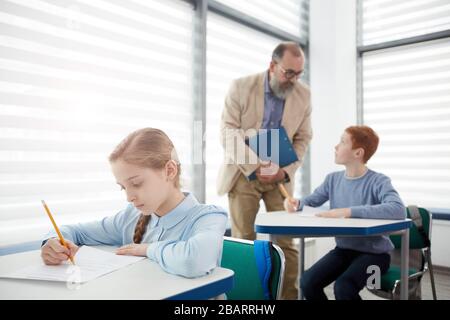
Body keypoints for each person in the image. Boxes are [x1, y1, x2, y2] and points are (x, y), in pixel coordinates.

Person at [41, 128, 228, 278]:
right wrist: (54, 242)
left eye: (136, 183)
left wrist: (147, 249)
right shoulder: (130, 216)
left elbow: (194, 261)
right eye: (123, 187)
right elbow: (76, 231)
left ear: (169, 170)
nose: (129, 197)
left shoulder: (208, 217)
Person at [217, 42, 312, 299]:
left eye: (299, 73)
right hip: (244, 174)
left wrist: (283, 171)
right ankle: (242, 299)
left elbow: (303, 138)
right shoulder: (240, 86)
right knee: (243, 242)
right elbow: (227, 131)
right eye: (288, 73)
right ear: (272, 66)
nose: (293, 79)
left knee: (286, 243)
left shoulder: (304, 95)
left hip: (280, 177)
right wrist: (256, 165)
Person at [284, 125, 406, 300]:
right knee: (307, 281)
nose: (336, 146)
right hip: (343, 250)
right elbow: (310, 201)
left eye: (342, 142)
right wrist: (296, 203)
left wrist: (348, 211)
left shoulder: (379, 181)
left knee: (343, 287)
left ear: (358, 153)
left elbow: (398, 209)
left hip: (376, 256)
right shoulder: (333, 180)